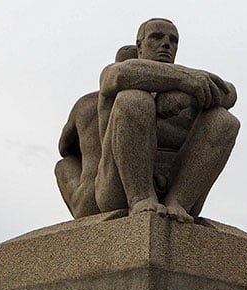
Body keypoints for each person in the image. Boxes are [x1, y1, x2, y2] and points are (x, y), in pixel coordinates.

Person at [95, 18, 239, 223]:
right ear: (139, 46)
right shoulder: (117, 71)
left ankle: (178, 202)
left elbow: (229, 93)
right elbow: (118, 75)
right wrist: (183, 79)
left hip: (178, 185)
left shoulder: (193, 80)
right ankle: (140, 198)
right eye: (156, 37)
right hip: (118, 189)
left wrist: (186, 92)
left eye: (173, 40)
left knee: (224, 121)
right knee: (134, 99)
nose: (166, 44)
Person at [55, 45, 137, 218]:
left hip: (87, 201)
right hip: (125, 193)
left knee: (64, 164)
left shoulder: (85, 103)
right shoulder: (143, 102)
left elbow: (63, 148)